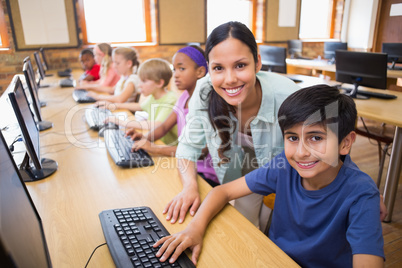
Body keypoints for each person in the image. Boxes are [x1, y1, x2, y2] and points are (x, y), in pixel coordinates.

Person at [154, 84, 385, 268]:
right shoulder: (284, 165)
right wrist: (193, 230)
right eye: (292, 138)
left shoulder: (361, 194)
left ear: (346, 143)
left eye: (316, 137)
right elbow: (223, 191)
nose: (302, 152)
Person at [163, 21, 300, 227]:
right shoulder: (204, 91)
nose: (230, 79)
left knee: (279, 230)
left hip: (291, 173)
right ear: (208, 68)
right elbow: (188, 146)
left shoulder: (288, 96)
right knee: (247, 230)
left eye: (240, 65)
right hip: (245, 171)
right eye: (218, 68)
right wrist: (189, 187)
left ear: (258, 62)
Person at [127, 45, 219, 187]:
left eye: (182, 69)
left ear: (200, 72)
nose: (175, 74)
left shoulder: (208, 103)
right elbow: (164, 126)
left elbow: (200, 151)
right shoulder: (184, 97)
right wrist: (144, 139)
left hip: (205, 175)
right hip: (185, 165)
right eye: (174, 69)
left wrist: (155, 149)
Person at [105, 58, 178, 145]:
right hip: (155, 141)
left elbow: (158, 124)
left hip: (165, 147)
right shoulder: (153, 96)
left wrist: (123, 123)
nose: (139, 85)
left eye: (144, 81)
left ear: (159, 83)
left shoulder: (170, 100)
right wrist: (114, 105)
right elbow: (139, 106)